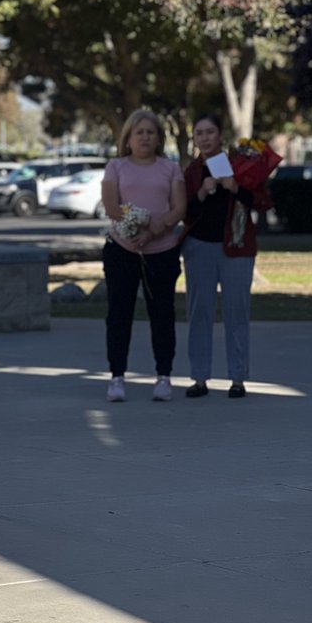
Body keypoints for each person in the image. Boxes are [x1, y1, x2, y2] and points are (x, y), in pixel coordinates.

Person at [100, 109, 186, 403]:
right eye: (140, 132)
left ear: (159, 138)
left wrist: (152, 231)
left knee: (162, 314)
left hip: (162, 252)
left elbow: (178, 208)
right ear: (128, 138)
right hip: (121, 250)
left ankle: (164, 377)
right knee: (119, 315)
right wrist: (140, 223)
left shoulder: (170, 168)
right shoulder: (116, 167)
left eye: (151, 132)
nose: (145, 137)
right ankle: (117, 378)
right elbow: (111, 205)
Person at [182, 114, 258, 399]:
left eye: (209, 132)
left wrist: (235, 188)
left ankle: (237, 378)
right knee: (199, 312)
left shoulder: (239, 166)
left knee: (236, 312)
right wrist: (202, 192)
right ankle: (199, 378)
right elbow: (185, 211)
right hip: (199, 248)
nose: (204, 138)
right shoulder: (192, 172)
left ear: (219, 135)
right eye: (199, 132)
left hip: (236, 249)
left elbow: (261, 202)